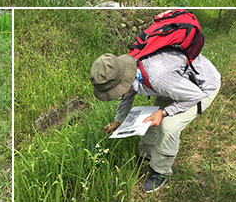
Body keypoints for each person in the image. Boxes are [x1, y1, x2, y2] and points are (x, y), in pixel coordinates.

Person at [90, 49, 221, 193]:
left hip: (201, 88)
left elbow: (194, 96)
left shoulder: (158, 77)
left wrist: (164, 112)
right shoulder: (129, 69)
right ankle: (146, 155)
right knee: (150, 117)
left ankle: (161, 171)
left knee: (169, 126)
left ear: (123, 81)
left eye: (115, 91)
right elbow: (127, 95)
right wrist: (118, 120)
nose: (116, 95)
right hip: (177, 84)